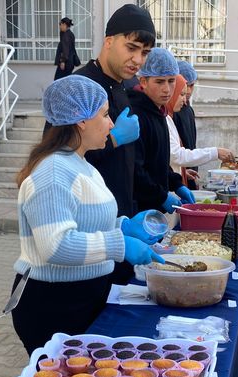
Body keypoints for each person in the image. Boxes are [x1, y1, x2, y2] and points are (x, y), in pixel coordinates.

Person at [11, 75, 165, 354]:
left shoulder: (80, 163)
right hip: (54, 305)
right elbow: (56, 246)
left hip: (84, 296)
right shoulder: (54, 172)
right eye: (105, 115)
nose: (111, 124)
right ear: (81, 120)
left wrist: (125, 226)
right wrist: (120, 244)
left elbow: (85, 221)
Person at [73, 3, 155, 283]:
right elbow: (61, 156)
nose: (138, 59)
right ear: (109, 41)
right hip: (87, 232)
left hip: (120, 219)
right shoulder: (81, 86)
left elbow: (128, 164)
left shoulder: (125, 87)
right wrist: (114, 139)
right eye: (131, 48)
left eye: (144, 52)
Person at [128, 47, 195, 213]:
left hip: (155, 208)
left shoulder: (160, 112)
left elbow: (159, 162)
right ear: (143, 82)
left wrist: (176, 183)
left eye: (171, 81)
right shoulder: (136, 115)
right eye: (159, 82)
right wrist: (161, 196)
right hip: (140, 210)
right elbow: (135, 169)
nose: (167, 89)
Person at [165, 74, 233, 184]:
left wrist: (181, 172)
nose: (185, 100)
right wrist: (214, 152)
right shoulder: (165, 120)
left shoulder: (169, 117)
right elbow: (177, 155)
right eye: (181, 94)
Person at [173, 60, 200, 189]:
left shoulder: (189, 110)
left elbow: (191, 144)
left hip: (188, 171)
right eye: (185, 86)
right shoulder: (173, 112)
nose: (188, 91)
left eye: (191, 86)